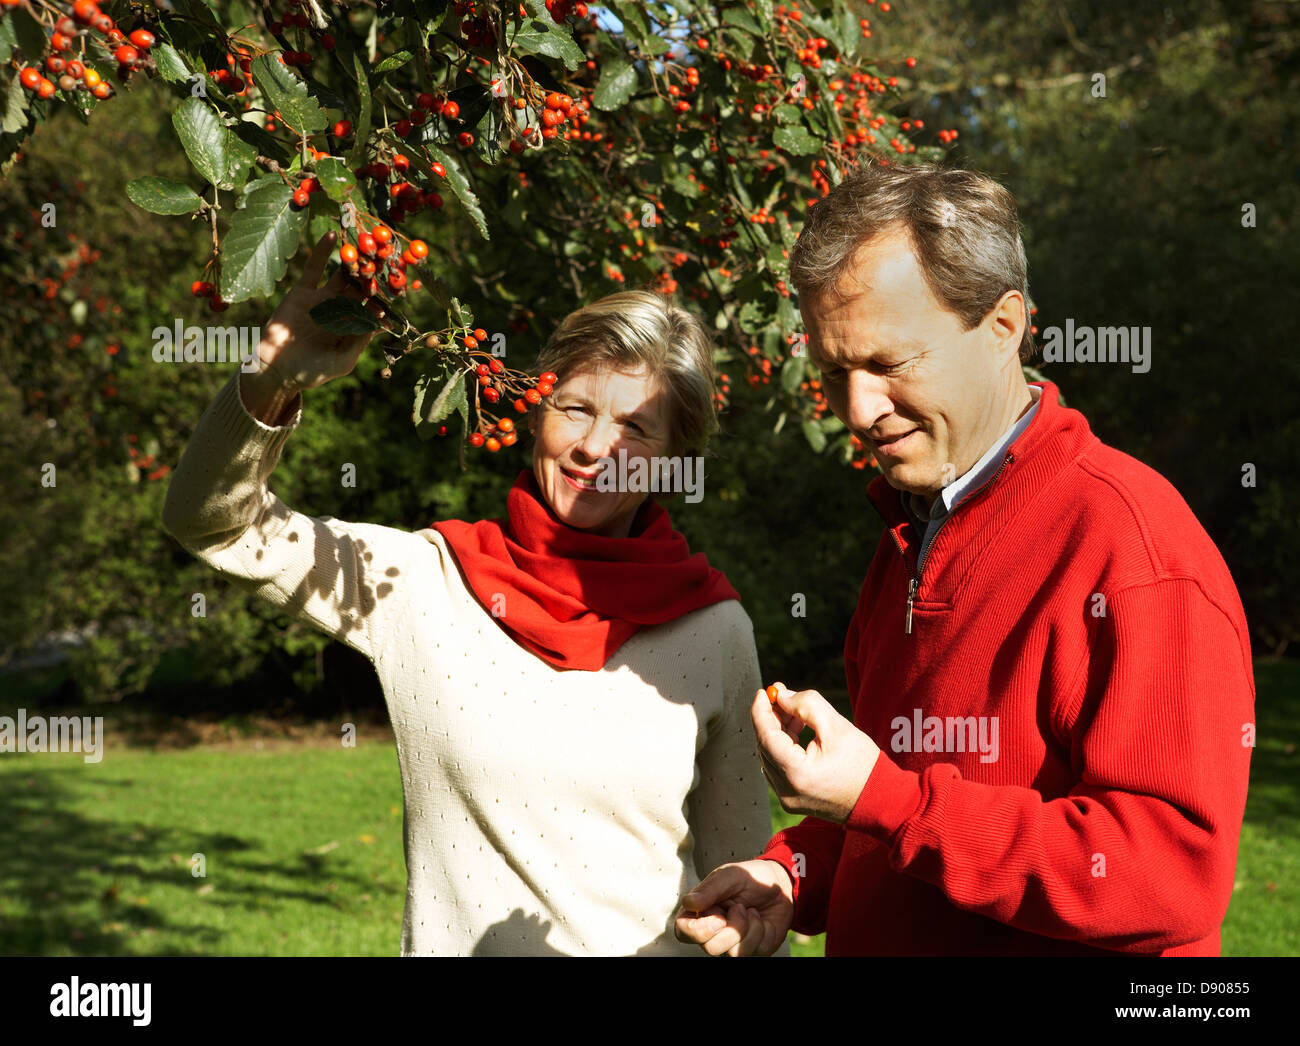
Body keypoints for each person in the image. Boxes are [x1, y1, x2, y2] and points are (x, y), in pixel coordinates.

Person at [676, 161, 1255, 957]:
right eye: (835, 372)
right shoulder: (915, 531)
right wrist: (796, 872)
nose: (858, 410)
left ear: (1004, 325)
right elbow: (901, 805)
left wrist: (884, 800)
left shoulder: (1131, 546)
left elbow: (1170, 877)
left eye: (888, 364)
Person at [162, 232, 780, 956]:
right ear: (533, 411)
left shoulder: (712, 629)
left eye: (636, 427)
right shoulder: (424, 581)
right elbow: (213, 522)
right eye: (576, 408)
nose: (594, 448)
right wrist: (271, 380)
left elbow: (745, 887)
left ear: (675, 457)